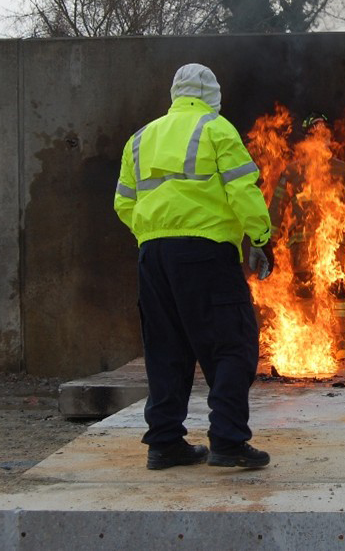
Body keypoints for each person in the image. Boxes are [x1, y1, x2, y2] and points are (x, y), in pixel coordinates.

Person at [113, 63, 276, 470]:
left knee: (165, 348)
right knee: (232, 344)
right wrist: (259, 238)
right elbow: (242, 190)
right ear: (212, 96)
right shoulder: (217, 129)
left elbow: (123, 203)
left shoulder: (140, 138)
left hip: (153, 257)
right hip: (206, 253)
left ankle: (165, 443)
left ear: (175, 94)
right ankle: (228, 441)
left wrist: (155, 234)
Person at [268, 113, 345, 364]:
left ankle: (336, 342)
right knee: (311, 289)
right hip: (306, 242)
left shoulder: (339, 170)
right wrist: (271, 238)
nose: (322, 137)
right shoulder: (295, 171)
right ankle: (316, 341)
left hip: (327, 241)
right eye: (316, 133)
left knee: (332, 288)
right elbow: (277, 206)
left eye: (325, 132)